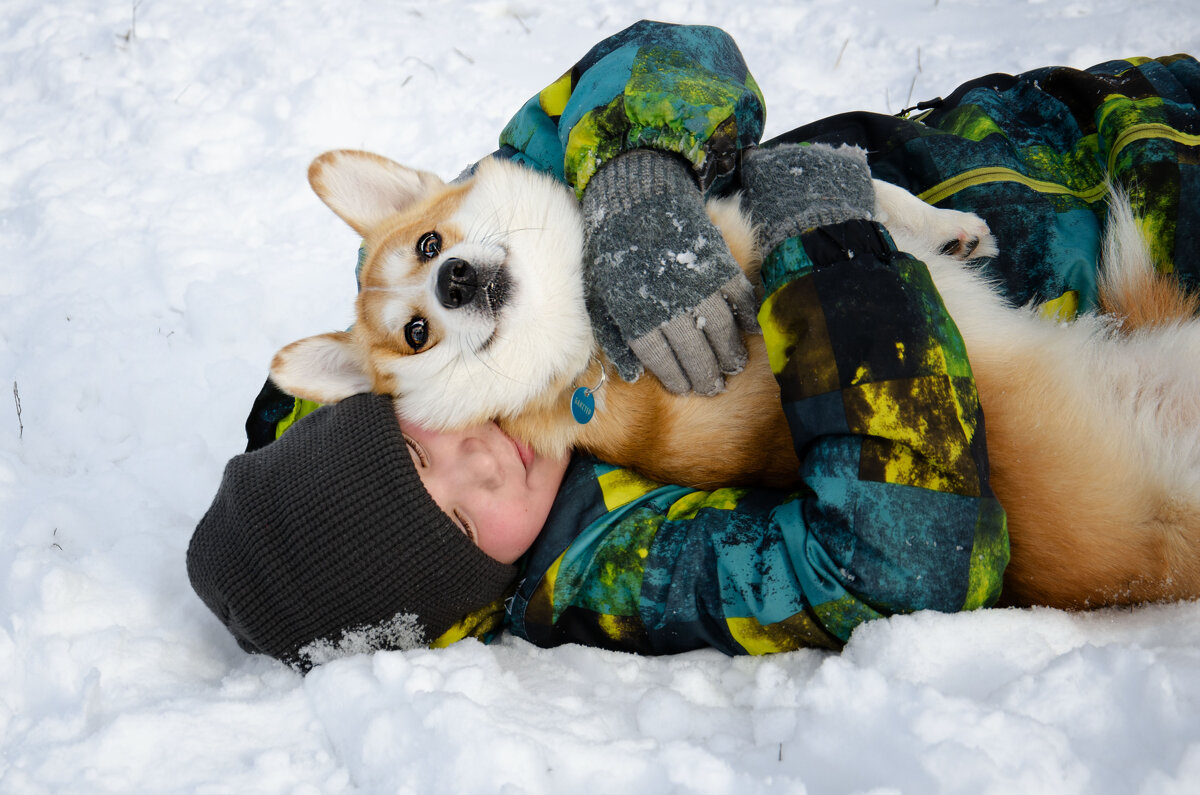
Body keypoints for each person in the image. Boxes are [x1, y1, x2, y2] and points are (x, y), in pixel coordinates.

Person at [188, 21, 1199, 671]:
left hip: (1086, 139)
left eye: (422, 448)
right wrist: (825, 248)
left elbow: (671, 57)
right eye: (459, 521)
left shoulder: (459, 299)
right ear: (470, 595)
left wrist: (636, 176)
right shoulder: (606, 564)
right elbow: (906, 568)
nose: (482, 456)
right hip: (1113, 392)